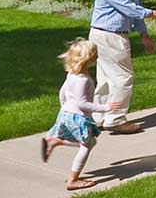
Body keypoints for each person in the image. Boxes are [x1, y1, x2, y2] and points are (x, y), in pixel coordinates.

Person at [89, 0, 156, 134]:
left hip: (115, 35)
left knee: (106, 78)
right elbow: (128, 8)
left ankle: (99, 118)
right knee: (122, 78)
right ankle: (115, 120)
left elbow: (135, 11)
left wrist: (144, 35)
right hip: (107, 35)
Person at [38, 40, 122, 191]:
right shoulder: (83, 80)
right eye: (95, 53)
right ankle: (73, 180)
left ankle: (55, 141)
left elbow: (62, 92)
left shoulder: (72, 73)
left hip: (66, 112)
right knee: (86, 145)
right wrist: (105, 107)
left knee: (90, 142)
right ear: (89, 58)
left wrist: (64, 106)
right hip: (78, 117)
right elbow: (82, 103)